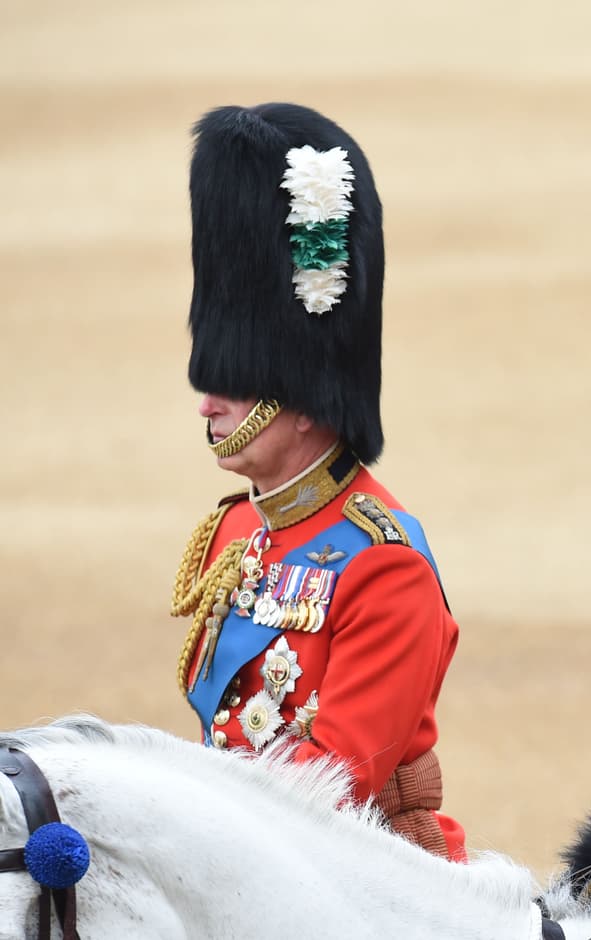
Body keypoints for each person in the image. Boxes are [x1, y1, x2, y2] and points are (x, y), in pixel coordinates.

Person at [169, 103, 466, 861]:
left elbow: (333, 782)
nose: (208, 403)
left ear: (302, 398)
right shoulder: (237, 532)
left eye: (232, 383)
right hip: (246, 860)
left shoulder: (383, 563)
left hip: (363, 884)